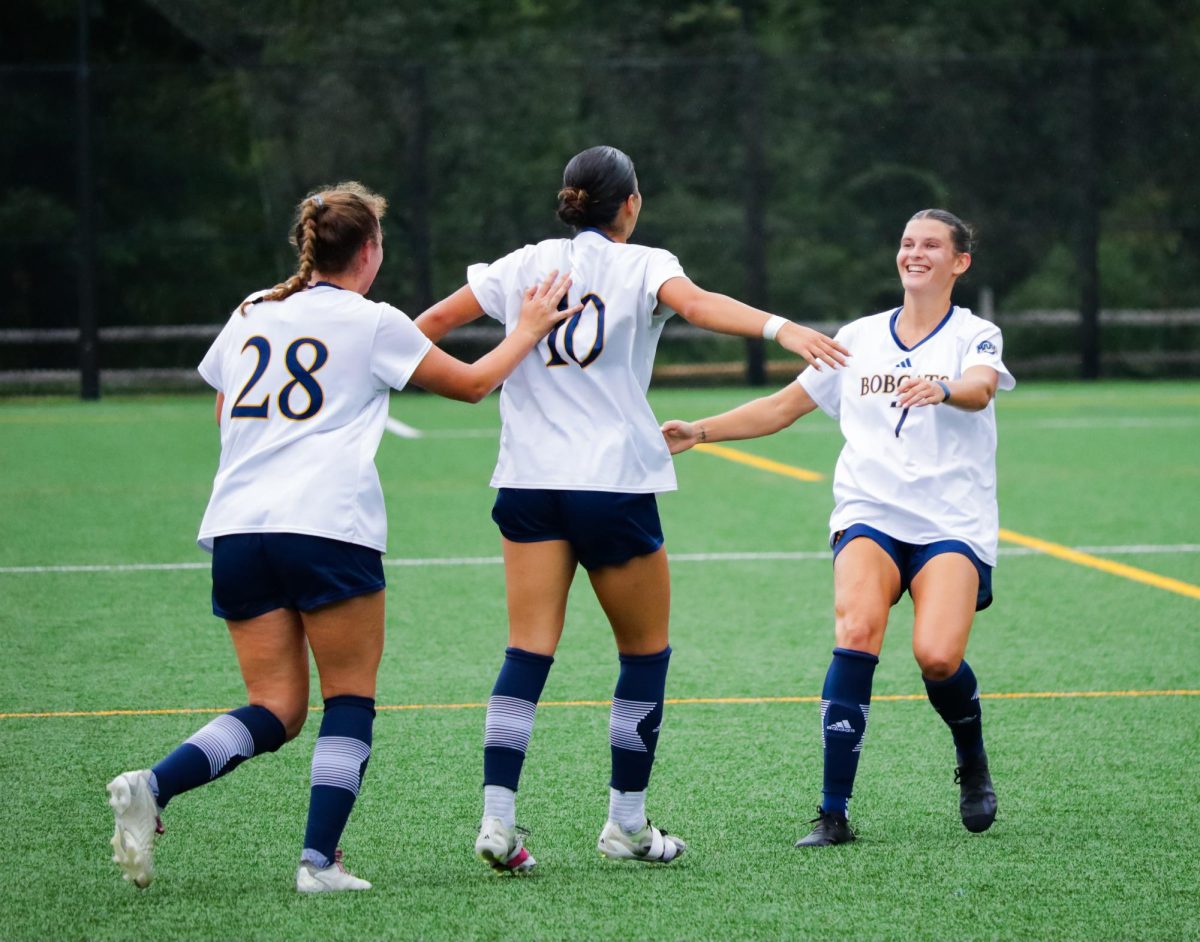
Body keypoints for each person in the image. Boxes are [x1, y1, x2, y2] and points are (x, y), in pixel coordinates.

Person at [105, 181, 578, 893]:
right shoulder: (373, 320)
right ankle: (318, 863)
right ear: (369, 250)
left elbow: (223, 413)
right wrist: (529, 327)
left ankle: (154, 786)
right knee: (348, 698)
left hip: (238, 527)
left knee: (275, 707)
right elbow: (474, 383)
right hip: (327, 525)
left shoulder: (251, 311)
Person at [413, 145, 849, 873]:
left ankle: (497, 818)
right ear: (631, 204)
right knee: (644, 655)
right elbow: (701, 305)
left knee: (526, 653)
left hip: (527, 485)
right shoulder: (644, 263)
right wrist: (783, 329)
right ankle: (627, 825)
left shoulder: (520, 264)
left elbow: (421, 328)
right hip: (612, 484)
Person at [661, 208, 1015, 846]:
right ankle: (833, 812)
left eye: (931, 245)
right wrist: (702, 430)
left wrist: (943, 388)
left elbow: (982, 388)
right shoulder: (858, 336)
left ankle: (971, 755)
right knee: (857, 630)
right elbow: (782, 406)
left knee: (938, 658)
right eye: (907, 242)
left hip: (950, 522)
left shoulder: (976, 333)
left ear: (959, 262)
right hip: (868, 513)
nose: (915, 253)